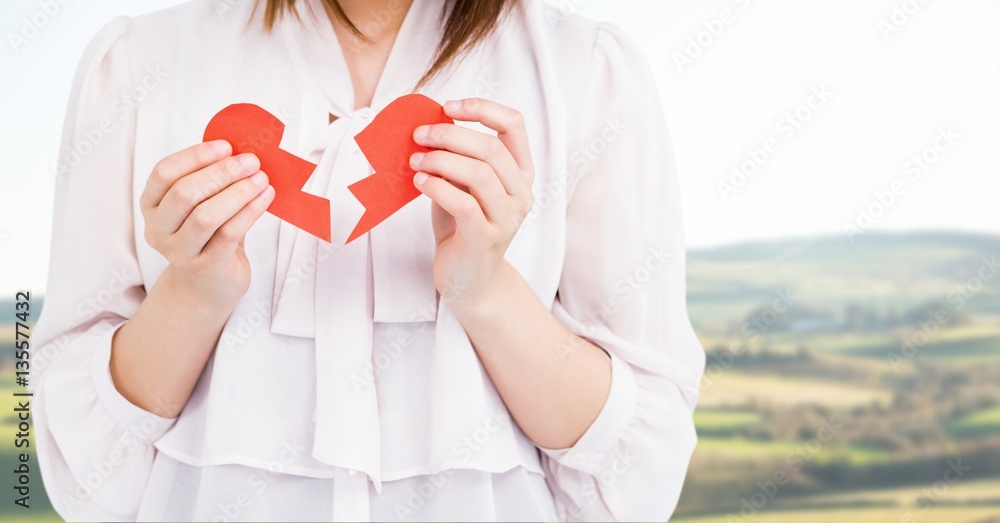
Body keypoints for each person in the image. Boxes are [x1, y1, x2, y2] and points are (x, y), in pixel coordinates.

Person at [31, 0, 706, 520]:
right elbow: (88, 476)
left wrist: (486, 288)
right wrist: (195, 292)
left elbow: (633, 481)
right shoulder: (142, 64)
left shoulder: (585, 73)